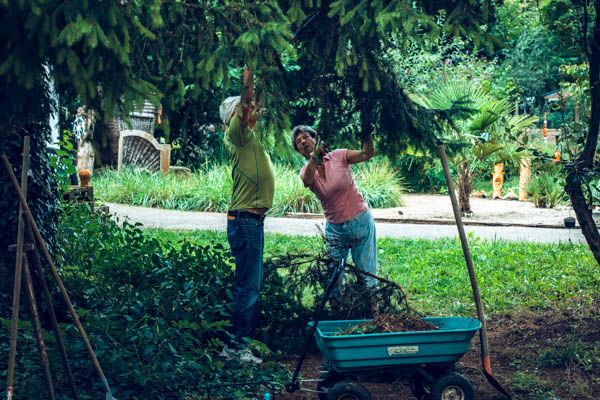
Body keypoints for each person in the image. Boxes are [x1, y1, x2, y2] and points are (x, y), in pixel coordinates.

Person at [218, 66, 275, 364]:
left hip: (251, 222)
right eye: (248, 108)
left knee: (250, 286)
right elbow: (247, 98)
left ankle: (239, 344)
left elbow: (256, 101)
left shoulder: (250, 136)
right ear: (235, 116)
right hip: (245, 222)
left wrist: (264, 69)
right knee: (247, 288)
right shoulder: (237, 134)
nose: (254, 110)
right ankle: (235, 347)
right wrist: (249, 69)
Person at [291, 124, 378, 313]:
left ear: (315, 139)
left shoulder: (339, 156)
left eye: (306, 137)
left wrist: (367, 134)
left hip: (360, 221)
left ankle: (375, 314)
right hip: (335, 230)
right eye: (298, 141)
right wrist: (315, 157)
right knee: (333, 279)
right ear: (298, 150)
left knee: (367, 274)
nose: (303, 141)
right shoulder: (306, 171)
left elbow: (367, 154)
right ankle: (337, 315)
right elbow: (307, 180)